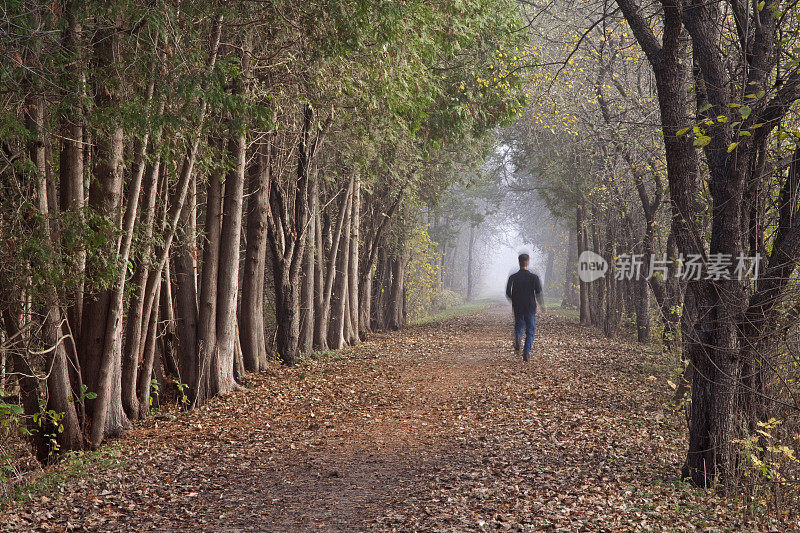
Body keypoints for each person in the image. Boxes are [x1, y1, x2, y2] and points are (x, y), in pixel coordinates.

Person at [505, 253, 545, 362]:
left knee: (519, 325)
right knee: (530, 330)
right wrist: (542, 305)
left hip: (518, 306)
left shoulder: (513, 277)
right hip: (530, 306)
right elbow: (538, 293)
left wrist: (514, 300)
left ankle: (518, 338)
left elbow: (508, 293)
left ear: (519, 262)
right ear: (528, 262)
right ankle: (526, 352)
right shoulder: (534, 277)